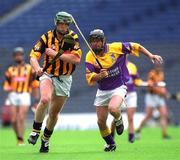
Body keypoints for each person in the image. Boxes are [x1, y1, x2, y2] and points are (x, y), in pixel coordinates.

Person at [85, 29, 163, 152]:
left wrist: (150, 55)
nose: (95, 44)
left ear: (103, 41)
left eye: (97, 41)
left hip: (118, 87)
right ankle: (111, 144)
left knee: (113, 108)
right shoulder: (90, 56)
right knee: (100, 122)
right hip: (102, 90)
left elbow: (135, 46)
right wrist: (99, 76)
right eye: (92, 41)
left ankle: (118, 119)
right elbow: (89, 78)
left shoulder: (116, 48)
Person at [28, 11, 82, 153]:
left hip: (64, 78)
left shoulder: (73, 37)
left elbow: (76, 59)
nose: (63, 26)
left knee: (53, 114)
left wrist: (56, 55)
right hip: (48, 74)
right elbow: (33, 56)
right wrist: (37, 68)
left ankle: (45, 140)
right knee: (45, 99)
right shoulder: (46, 37)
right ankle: (35, 131)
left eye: (66, 24)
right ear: (56, 23)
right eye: (61, 23)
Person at [3, 47, 39, 145]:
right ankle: (18, 137)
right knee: (14, 119)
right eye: (16, 55)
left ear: (23, 56)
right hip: (13, 95)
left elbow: (35, 85)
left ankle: (21, 139)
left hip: (25, 94)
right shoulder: (10, 70)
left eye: (20, 54)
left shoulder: (29, 69)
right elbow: (6, 84)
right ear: (14, 57)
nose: (18, 56)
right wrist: (8, 88)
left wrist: (36, 99)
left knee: (21, 117)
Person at [111, 60, 145, 143]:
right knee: (116, 118)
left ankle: (131, 138)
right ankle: (111, 138)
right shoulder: (114, 66)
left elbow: (136, 80)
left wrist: (142, 83)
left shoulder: (132, 66)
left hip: (131, 94)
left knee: (130, 118)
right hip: (120, 94)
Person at [136, 65, 170, 139]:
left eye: (160, 67)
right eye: (157, 67)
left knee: (164, 114)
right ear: (155, 67)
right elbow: (150, 86)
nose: (159, 68)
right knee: (148, 116)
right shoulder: (152, 74)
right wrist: (160, 91)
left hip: (159, 97)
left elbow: (162, 85)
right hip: (151, 97)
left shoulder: (161, 74)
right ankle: (138, 130)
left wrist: (165, 92)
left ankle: (164, 134)